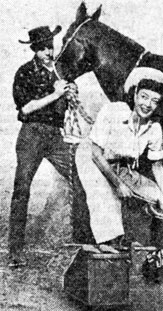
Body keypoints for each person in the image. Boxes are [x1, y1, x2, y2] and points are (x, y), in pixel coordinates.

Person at [76, 68, 163, 278]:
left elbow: (157, 166)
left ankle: (157, 257)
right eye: (144, 97)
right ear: (135, 95)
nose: (147, 104)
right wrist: (118, 184)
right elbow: (96, 152)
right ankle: (108, 250)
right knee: (107, 197)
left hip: (120, 166)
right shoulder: (114, 110)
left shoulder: (154, 128)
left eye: (154, 101)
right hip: (92, 159)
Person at [8, 25, 94, 268]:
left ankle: (81, 241)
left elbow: (70, 105)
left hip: (56, 136)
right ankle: (15, 251)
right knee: (22, 189)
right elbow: (25, 109)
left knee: (79, 177)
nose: (48, 51)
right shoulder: (24, 72)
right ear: (34, 49)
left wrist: (71, 93)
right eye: (43, 48)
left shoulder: (61, 71)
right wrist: (56, 95)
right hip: (31, 133)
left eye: (50, 47)